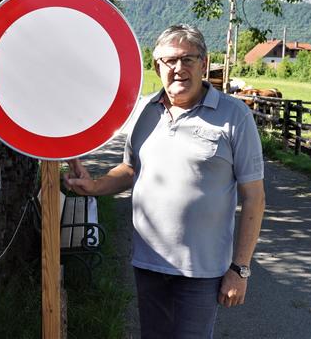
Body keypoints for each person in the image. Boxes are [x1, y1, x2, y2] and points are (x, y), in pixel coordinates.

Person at [63, 24, 266, 338]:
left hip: (202, 270)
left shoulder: (235, 115)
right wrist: (95, 186)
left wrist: (240, 269)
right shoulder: (144, 110)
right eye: (169, 61)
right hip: (149, 263)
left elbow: (254, 197)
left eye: (187, 59)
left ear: (204, 63)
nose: (178, 68)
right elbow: (130, 170)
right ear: (156, 66)